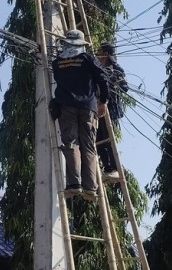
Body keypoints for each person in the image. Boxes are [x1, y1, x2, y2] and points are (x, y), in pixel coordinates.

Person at [49, 29, 109, 200]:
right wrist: (103, 101)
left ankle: (74, 184)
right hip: (88, 107)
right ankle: (90, 187)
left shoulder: (57, 62)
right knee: (88, 145)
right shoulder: (88, 59)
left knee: (71, 143)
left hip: (66, 107)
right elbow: (102, 78)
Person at [95, 41, 128, 183]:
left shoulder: (116, 69)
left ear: (106, 54)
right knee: (98, 140)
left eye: (99, 51)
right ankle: (108, 168)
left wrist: (111, 80)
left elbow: (124, 87)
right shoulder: (97, 68)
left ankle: (115, 168)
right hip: (97, 108)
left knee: (108, 138)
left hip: (110, 109)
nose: (97, 54)